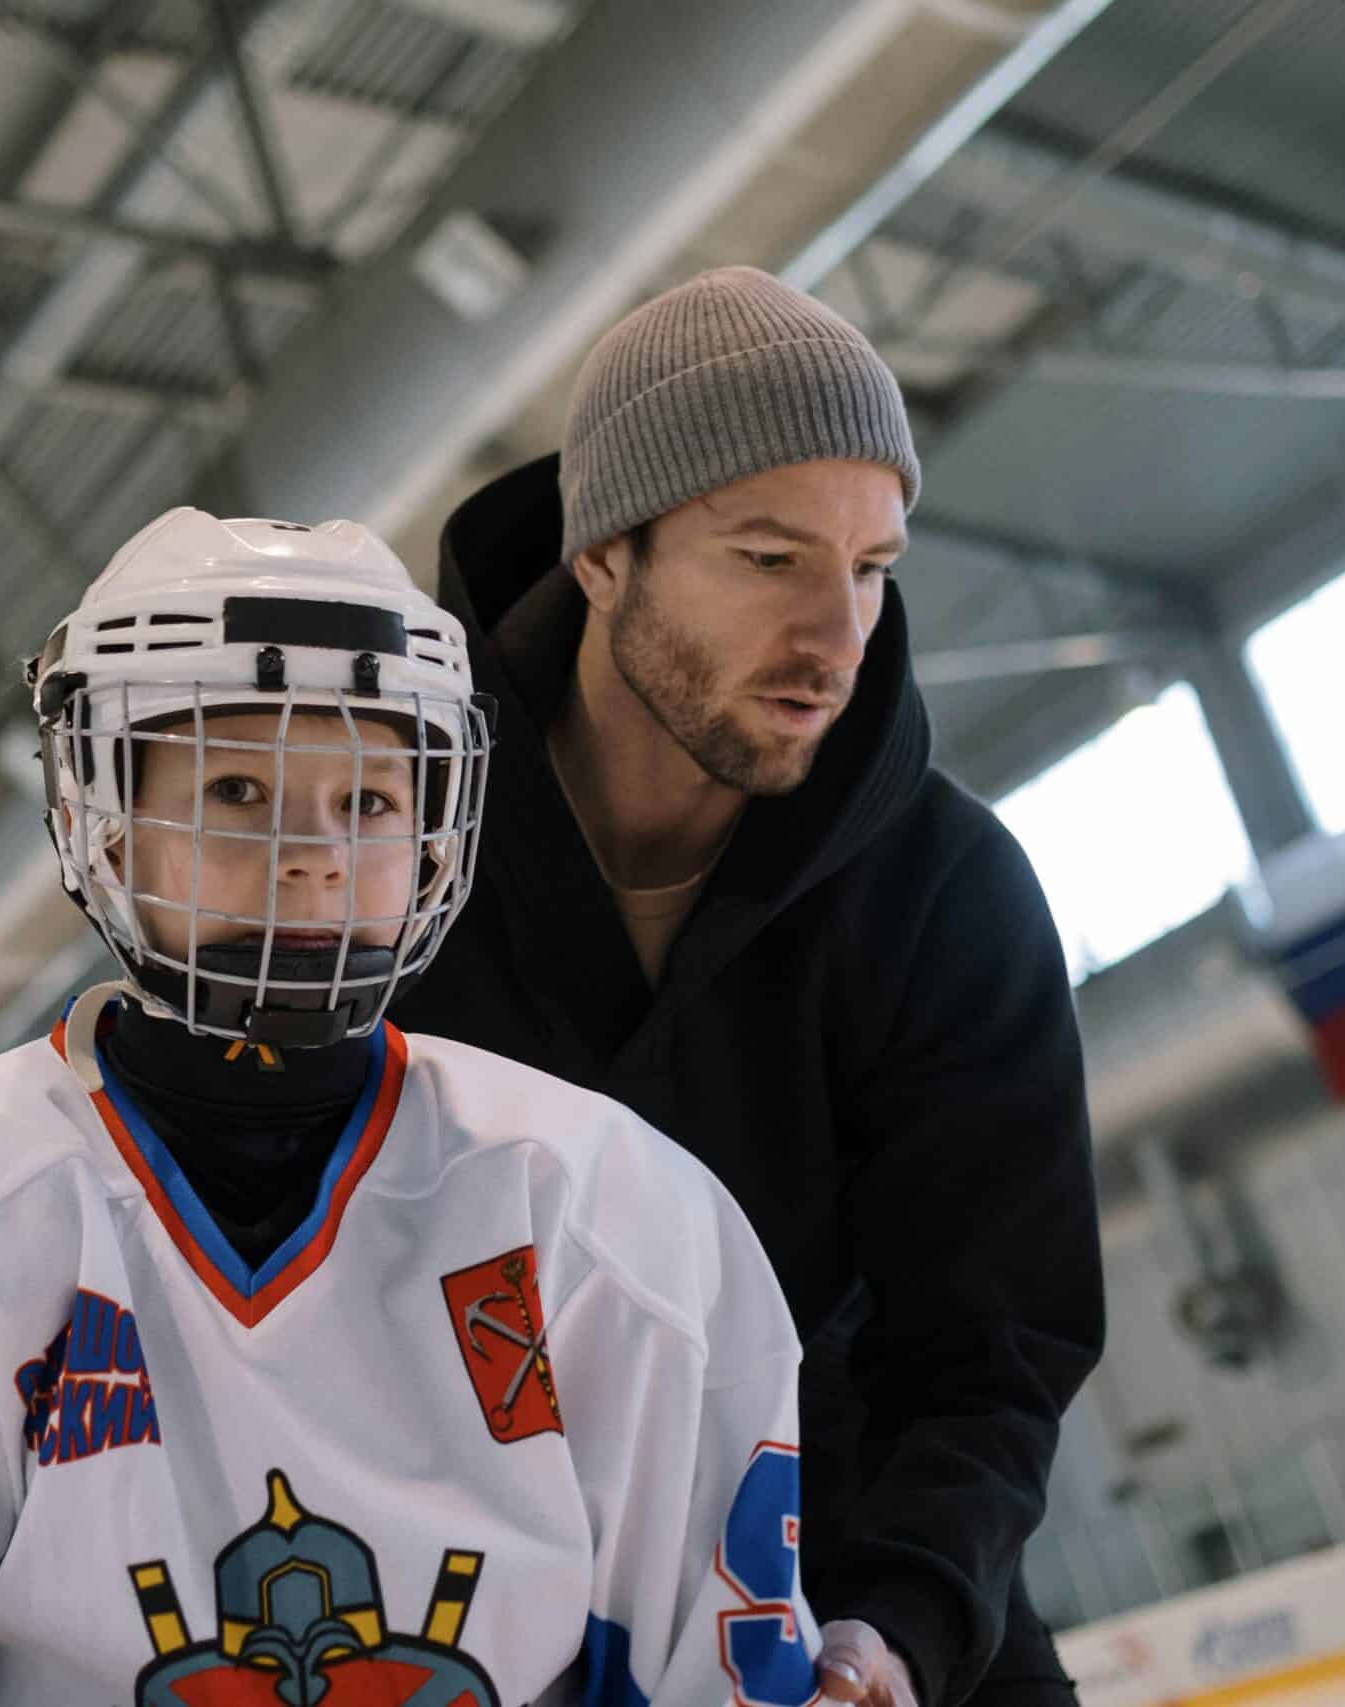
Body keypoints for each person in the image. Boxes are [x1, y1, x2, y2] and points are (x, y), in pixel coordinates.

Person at [0, 509, 821, 1707]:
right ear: (104, 814)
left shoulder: (611, 1213)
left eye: (368, 801)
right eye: (239, 788)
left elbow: (710, 1669)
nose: (314, 855)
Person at [386, 267, 1105, 1707]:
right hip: (478, 1623)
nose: (836, 635)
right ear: (604, 554)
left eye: (873, 565)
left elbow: (989, 1352)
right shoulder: (384, 858)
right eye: (771, 558)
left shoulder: (946, 892)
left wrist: (894, 1622)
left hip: (862, 1605)